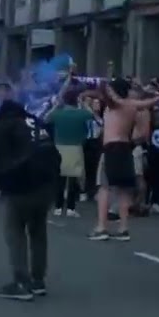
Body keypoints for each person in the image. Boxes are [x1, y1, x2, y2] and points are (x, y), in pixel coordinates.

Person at [0, 79, 60, 300]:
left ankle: (21, 282)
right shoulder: (33, 121)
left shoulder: (1, 125)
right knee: (38, 231)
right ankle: (38, 280)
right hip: (46, 183)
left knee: (15, 231)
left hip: (22, 184)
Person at [88, 78, 159, 241]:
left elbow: (103, 89)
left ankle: (101, 227)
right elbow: (150, 102)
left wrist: (105, 81)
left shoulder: (117, 104)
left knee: (104, 187)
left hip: (112, 148)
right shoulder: (132, 105)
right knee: (123, 190)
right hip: (126, 147)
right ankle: (123, 228)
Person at [45, 84, 92, 217]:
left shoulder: (58, 114)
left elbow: (46, 118)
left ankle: (58, 206)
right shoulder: (81, 114)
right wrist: (83, 104)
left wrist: (55, 106)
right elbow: (91, 114)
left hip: (59, 147)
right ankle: (71, 207)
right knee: (73, 179)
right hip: (76, 148)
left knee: (59, 178)